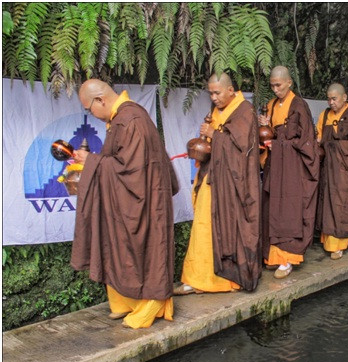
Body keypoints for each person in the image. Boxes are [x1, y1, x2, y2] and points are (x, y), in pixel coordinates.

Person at [71, 79, 179, 329]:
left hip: (147, 200)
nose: (92, 115)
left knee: (147, 247)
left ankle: (154, 302)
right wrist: (92, 161)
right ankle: (128, 300)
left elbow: (133, 171)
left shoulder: (131, 120)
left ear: (100, 100)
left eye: (90, 109)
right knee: (117, 239)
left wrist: (92, 162)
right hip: (134, 196)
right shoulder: (121, 118)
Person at [176, 73, 262, 295]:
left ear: (231, 90)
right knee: (203, 226)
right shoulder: (218, 110)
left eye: (217, 92)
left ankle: (227, 281)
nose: (213, 97)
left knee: (228, 228)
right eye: (210, 93)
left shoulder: (245, 111)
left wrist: (214, 134)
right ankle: (197, 278)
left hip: (233, 183)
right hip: (213, 177)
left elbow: (242, 150)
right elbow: (216, 143)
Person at [258, 66, 319, 279]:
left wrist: (279, 144)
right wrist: (266, 129)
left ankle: (289, 259)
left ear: (289, 83)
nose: (275, 89)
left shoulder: (299, 105)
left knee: (289, 210)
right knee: (271, 206)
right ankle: (273, 257)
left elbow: (306, 141)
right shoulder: (272, 105)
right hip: (276, 165)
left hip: (293, 168)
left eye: (279, 85)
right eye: (272, 85)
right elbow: (272, 135)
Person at [315, 83, 348, 259]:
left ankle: (339, 244)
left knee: (341, 203)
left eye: (334, 98)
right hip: (328, 169)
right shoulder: (325, 115)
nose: (331, 102)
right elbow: (319, 136)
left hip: (345, 171)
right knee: (327, 202)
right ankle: (327, 239)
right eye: (328, 99)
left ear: (344, 98)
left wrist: (330, 145)